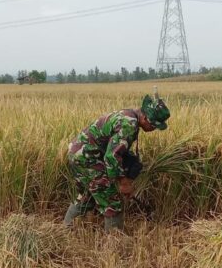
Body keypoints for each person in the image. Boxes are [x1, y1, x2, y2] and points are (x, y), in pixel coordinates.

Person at [64, 94, 171, 231]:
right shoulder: (129, 125)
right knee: (112, 203)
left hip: (79, 154)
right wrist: (124, 183)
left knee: (87, 196)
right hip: (87, 159)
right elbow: (111, 156)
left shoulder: (128, 115)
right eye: (153, 125)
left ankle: (66, 230)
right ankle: (115, 243)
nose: (153, 129)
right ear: (144, 117)